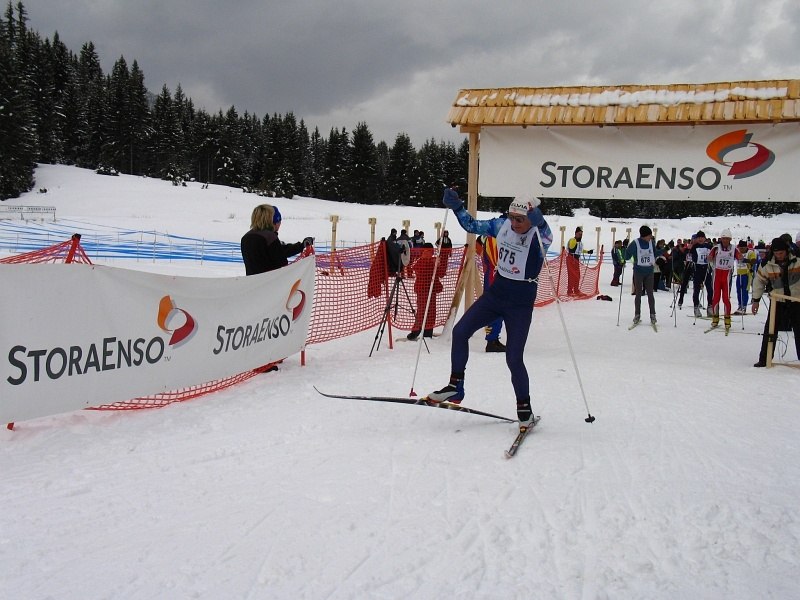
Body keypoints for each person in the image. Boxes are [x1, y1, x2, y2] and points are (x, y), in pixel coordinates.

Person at [426, 188, 552, 429]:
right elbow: (472, 225)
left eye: (520, 219)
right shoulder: (501, 225)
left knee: (514, 357)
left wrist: (541, 221)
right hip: (496, 295)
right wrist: (457, 207)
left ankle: (524, 408)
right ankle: (455, 386)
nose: (514, 223)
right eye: (512, 217)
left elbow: (546, 231)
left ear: (531, 219)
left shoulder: (539, 235)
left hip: (520, 304)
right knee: (460, 332)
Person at [751, 237, 800, 367]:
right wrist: (756, 300)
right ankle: (764, 359)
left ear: (787, 250)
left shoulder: (798, 259)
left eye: (781, 253)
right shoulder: (766, 264)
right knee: (770, 331)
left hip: (796, 300)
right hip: (777, 301)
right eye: (776, 253)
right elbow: (759, 281)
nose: (779, 256)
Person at [240, 204, 313, 275]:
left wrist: (301, 246)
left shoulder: (246, 237)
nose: (280, 224)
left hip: (252, 280)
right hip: (271, 280)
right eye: (279, 221)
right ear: (272, 221)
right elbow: (281, 262)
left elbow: (280, 250)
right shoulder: (269, 237)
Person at [407, 243, 446, 340]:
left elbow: (441, 273)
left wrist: (438, 263)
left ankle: (425, 331)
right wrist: (436, 263)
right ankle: (419, 331)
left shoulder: (428, 261)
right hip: (424, 290)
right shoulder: (423, 261)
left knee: (427, 311)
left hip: (429, 290)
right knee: (425, 311)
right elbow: (440, 273)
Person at [476, 235, 506, 352]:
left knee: (499, 309)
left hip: (493, 275)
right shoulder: (492, 237)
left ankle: (493, 338)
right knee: (495, 308)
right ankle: (492, 340)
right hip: (494, 277)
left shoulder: (488, 236)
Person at [707, 229, 742, 331]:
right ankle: (715, 318)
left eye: (727, 239)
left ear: (730, 239)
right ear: (721, 239)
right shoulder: (716, 248)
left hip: (727, 276)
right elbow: (709, 257)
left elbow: (739, 257)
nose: (725, 241)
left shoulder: (734, 249)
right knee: (716, 298)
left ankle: (727, 319)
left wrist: (740, 257)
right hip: (717, 275)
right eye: (724, 238)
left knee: (726, 298)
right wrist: (709, 258)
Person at [624, 225, 659, 326]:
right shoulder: (635, 243)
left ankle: (653, 315)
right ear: (644, 235)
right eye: (649, 235)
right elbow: (627, 256)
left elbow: (655, 253)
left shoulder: (651, 242)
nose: (650, 237)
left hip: (649, 271)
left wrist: (666, 248)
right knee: (638, 293)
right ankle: (637, 315)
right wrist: (625, 249)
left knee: (650, 293)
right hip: (638, 271)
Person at [734, 239, 757, 315]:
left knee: (744, 291)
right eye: (740, 248)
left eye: (742, 248)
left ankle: (744, 306)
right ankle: (739, 306)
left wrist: (745, 260)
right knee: (738, 291)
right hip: (739, 274)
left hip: (746, 274)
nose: (741, 250)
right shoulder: (737, 252)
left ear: (746, 247)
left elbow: (754, 261)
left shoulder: (750, 252)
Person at [566, 226, 585, 295]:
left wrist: (588, 251)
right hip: (571, 259)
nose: (580, 235)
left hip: (576, 259)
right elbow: (571, 247)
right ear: (576, 233)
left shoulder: (580, 242)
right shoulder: (573, 240)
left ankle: (576, 290)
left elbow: (580, 250)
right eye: (579, 234)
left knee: (577, 275)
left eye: (581, 234)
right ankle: (570, 291)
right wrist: (572, 247)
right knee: (571, 276)